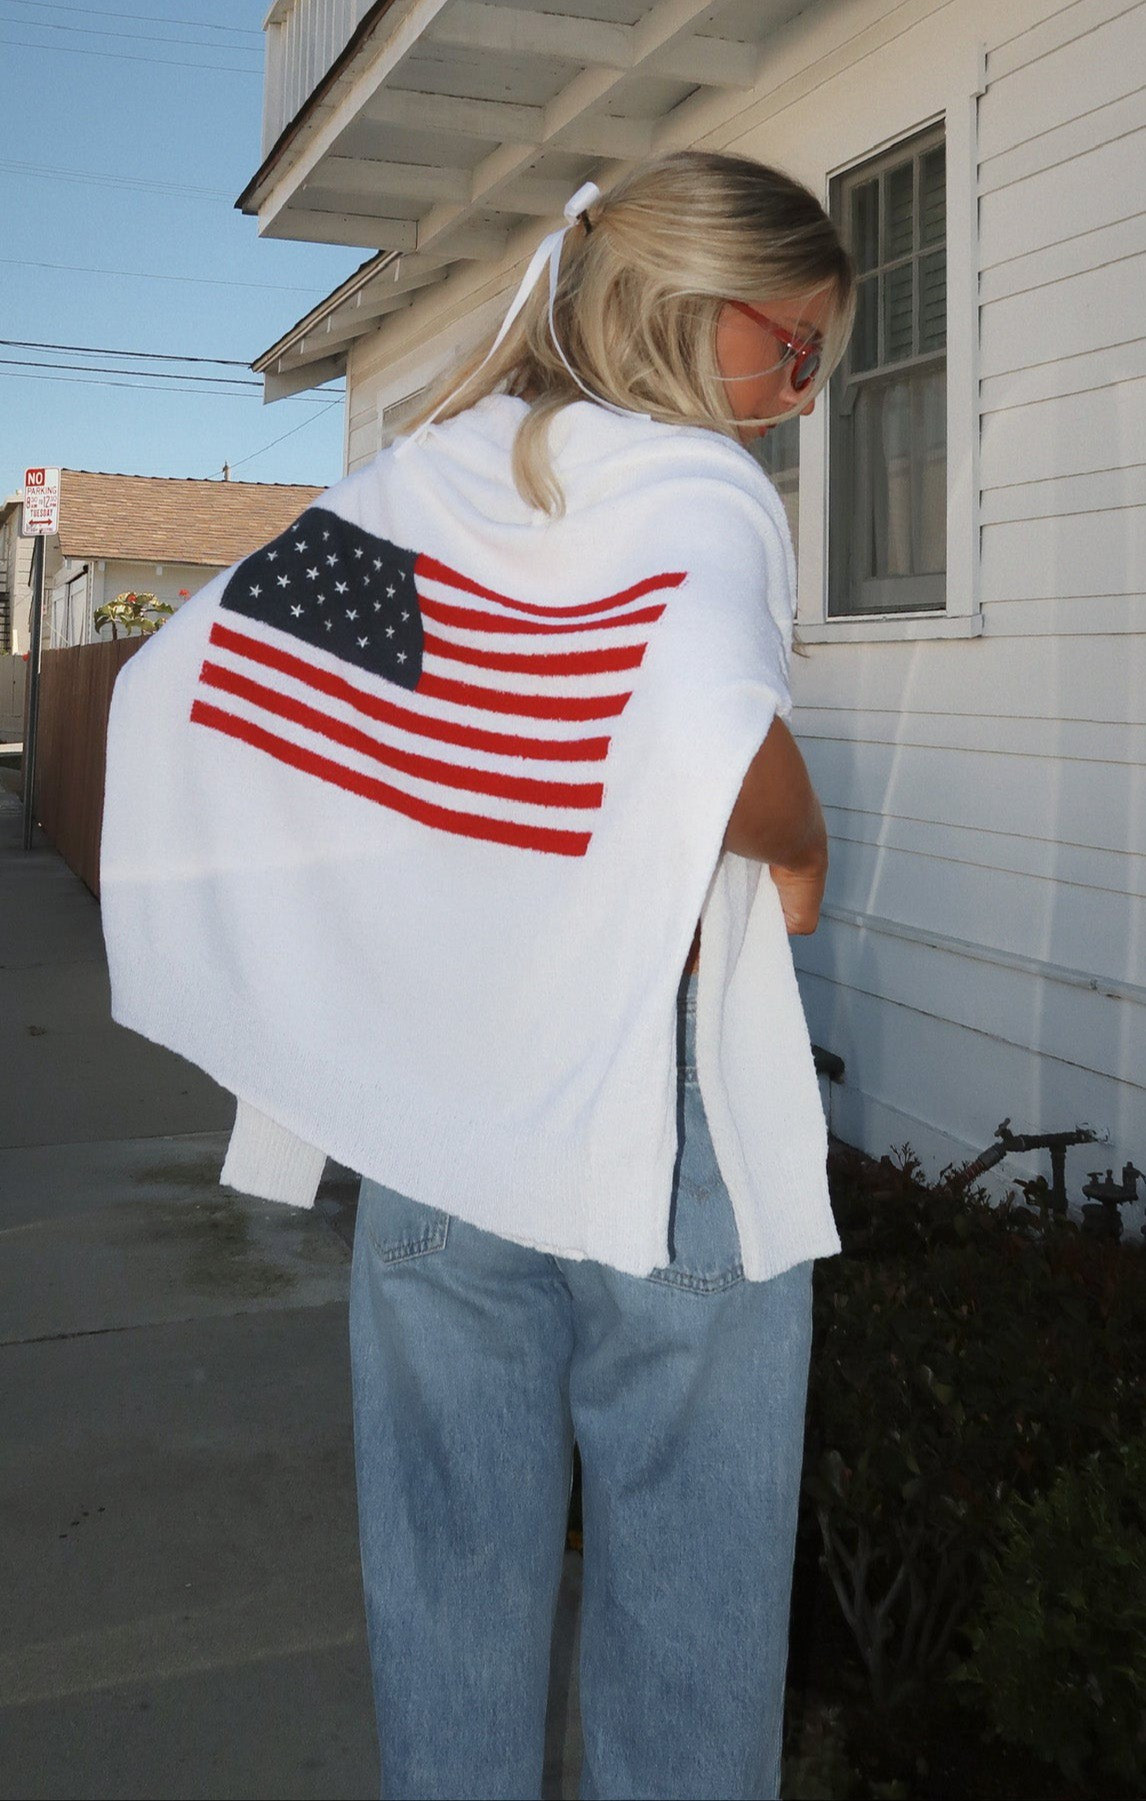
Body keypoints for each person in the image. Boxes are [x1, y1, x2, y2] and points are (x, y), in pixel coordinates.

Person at [101, 149, 854, 1800]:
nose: (802, 393)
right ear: (682, 307)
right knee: (688, 1604)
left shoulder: (434, 478)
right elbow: (719, 740)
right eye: (791, 347)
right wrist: (799, 853)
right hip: (660, 1114)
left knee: (446, 1569)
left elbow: (195, 666)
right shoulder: (692, 488)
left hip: (439, 1111)